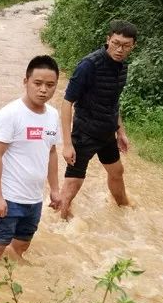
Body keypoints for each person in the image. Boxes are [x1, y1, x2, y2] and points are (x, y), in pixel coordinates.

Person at [0, 55, 62, 264]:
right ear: (26, 81)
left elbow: (51, 152)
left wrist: (55, 189)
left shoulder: (52, 115)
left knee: (20, 248)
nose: (43, 90)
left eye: (49, 85)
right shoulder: (10, 114)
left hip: (34, 199)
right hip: (9, 197)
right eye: (38, 83)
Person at [59, 20, 138, 219]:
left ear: (133, 46)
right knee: (72, 185)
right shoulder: (89, 65)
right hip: (84, 133)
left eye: (125, 46)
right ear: (108, 39)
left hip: (107, 134)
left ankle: (124, 209)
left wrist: (121, 131)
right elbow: (67, 102)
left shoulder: (122, 67)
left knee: (117, 172)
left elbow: (113, 100)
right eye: (116, 43)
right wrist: (67, 144)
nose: (120, 49)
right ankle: (60, 222)